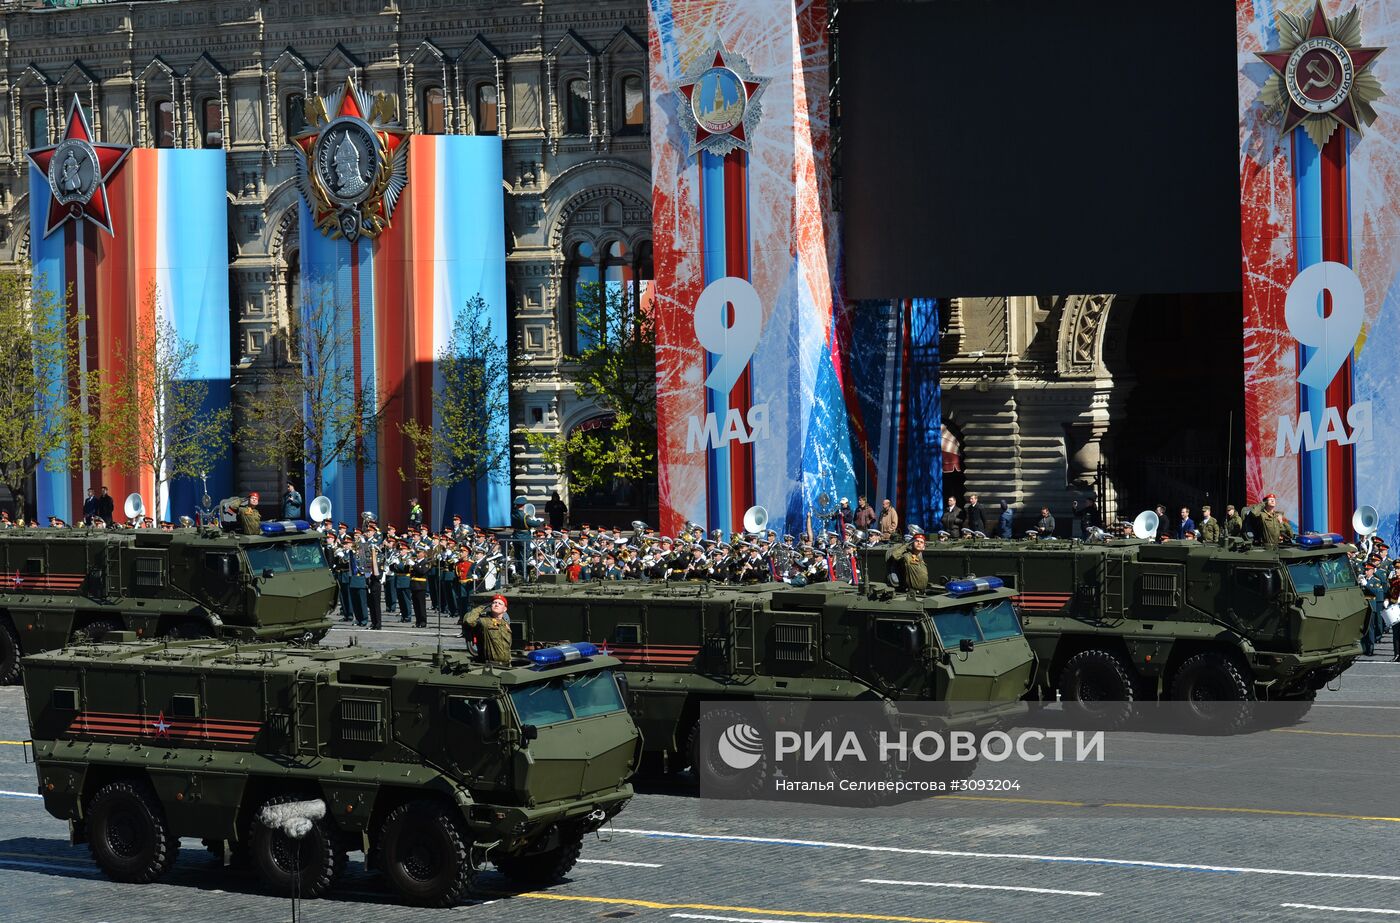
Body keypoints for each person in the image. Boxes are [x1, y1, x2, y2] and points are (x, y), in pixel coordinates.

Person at [463, 594, 513, 665]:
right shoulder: (484, 621)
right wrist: (482, 607)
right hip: (490, 666)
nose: (496, 605)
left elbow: (508, 647)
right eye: (494, 603)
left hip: (506, 665)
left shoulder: (505, 624)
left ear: (504, 609)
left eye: (500, 603)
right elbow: (469, 621)